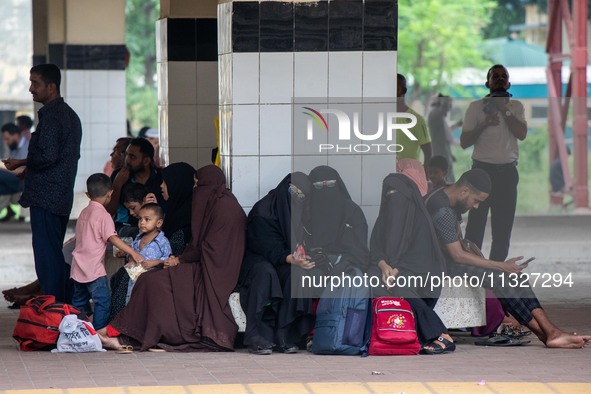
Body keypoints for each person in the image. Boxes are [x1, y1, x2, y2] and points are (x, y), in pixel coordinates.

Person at [426, 169, 591, 349]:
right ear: (464, 191)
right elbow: (457, 256)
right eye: (476, 200)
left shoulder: (447, 197)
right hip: (436, 266)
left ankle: (550, 332)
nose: (476, 207)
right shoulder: (441, 209)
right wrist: (502, 266)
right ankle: (548, 333)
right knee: (500, 277)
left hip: (447, 260)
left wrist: (503, 267)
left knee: (516, 276)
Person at [100, 165, 246, 352]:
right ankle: (119, 332)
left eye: (197, 184)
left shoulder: (225, 210)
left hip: (214, 273)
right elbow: (201, 247)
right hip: (202, 265)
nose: (195, 189)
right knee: (149, 280)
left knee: (155, 282)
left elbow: (211, 250)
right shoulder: (215, 204)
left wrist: (179, 260)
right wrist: (179, 260)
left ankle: (128, 335)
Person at [3, 64, 82, 303]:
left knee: (47, 256)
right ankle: (59, 305)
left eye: (35, 83)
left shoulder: (52, 116)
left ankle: (54, 308)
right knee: (53, 254)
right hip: (60, 195)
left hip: (47, 197)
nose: (31, 89)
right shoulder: (69, 115)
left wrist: (22, 161)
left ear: (51, 86)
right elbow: (57, 157)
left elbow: (47, 156)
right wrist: (29, 170)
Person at [370, 159, 453, 354]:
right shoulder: (384, 219)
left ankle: (442, 335)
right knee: (369, 283)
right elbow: (375, 249)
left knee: (400, 287)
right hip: (390, 271)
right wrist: (384, 267)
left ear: (409, 196)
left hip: (423, 274)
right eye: (389, 195)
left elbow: (420, 257)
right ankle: (387, 333)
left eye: (398, 195)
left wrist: (395, 271)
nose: (393, 198)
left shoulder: (421, 220)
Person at [238, 172, 315, 355]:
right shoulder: (263, 209)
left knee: (295, 275)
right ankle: (254, 334)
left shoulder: (301, 213)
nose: (297, 197)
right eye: (293, 191)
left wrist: (301, 258)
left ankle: (283, 332)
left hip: (284, 260)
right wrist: (290, 258)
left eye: (301, 195)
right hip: (257, 260)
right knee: (266, 273)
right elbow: (263, 245)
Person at [460, 64, 527, 263]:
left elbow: (521, 134)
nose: (499, 79)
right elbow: (464, 142)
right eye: (494, 76)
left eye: (503, 76)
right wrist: (483, 124)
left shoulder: (517, 107)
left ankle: (496, 274)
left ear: (509, 83)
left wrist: (504, 110)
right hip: (482, 173)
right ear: (487, 83)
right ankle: (473, 272)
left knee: (502, 228)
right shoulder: (475, 107)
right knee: (475, 226)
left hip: (507, 173)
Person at [70, 174, 144, 330]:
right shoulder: (103, 215)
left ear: (87, 195)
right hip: (94, 270)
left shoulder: (84, 212)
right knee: (102, 302)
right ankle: (97, 334)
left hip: (77, 268)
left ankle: (77, 332)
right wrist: (133, 252)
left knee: (78, 302)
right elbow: (113, 238)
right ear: (110, 193)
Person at [303, 165, 369, 275]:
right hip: (314, 265)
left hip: (347, 263)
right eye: (318, 185)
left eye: (330, 184)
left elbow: (360, 251)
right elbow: (300, 247)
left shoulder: (352, 212)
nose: (325, 189)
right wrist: (312, 258)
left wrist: (343, 264)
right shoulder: (306, 213)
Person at [106, 137, 164, 238]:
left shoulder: (159, 178)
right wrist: (117, 185)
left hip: (153, 228)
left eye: (132, 157)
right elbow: (108, 212)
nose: (127, 160)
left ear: (146, 161)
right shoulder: (118, 175)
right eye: (127, 155)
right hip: (124, 228)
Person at [396, 73, 432, 175]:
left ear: (403, 90)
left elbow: (428, 152)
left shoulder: (416, 119)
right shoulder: (383, 117)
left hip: (409, 174)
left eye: (396, 88)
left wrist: (424, 174)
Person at [160, 162, 195, 255]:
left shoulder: (184, 225)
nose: (161, 186)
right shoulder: (174, 211)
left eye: (165, 182)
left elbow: (170, 255)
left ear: (177, 185)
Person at [428, 94, 460, 182]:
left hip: (439, 152)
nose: (450, 107)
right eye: (449, 104)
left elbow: (443, 132)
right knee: (447, 179)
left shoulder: (434, 113)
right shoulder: (437, 114)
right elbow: (449, 137)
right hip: (441, 153)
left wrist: (456, 125)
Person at [0, 123, 29, 221]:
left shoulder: (27, 147)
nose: (6, 142)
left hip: (24, 181)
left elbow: (24, 171)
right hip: (15, 181)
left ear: (16, 135)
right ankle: (9, 210)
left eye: (7, 139)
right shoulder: (14, 148)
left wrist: (3, 165)